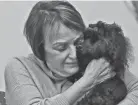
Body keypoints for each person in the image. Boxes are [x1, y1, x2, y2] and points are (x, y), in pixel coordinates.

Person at [4, 1, 138, 105]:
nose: (74, 55)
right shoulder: (19, 67)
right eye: (61, 48)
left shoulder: (91, 59)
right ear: (40, 50)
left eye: (78, 42)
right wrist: (87, 81)